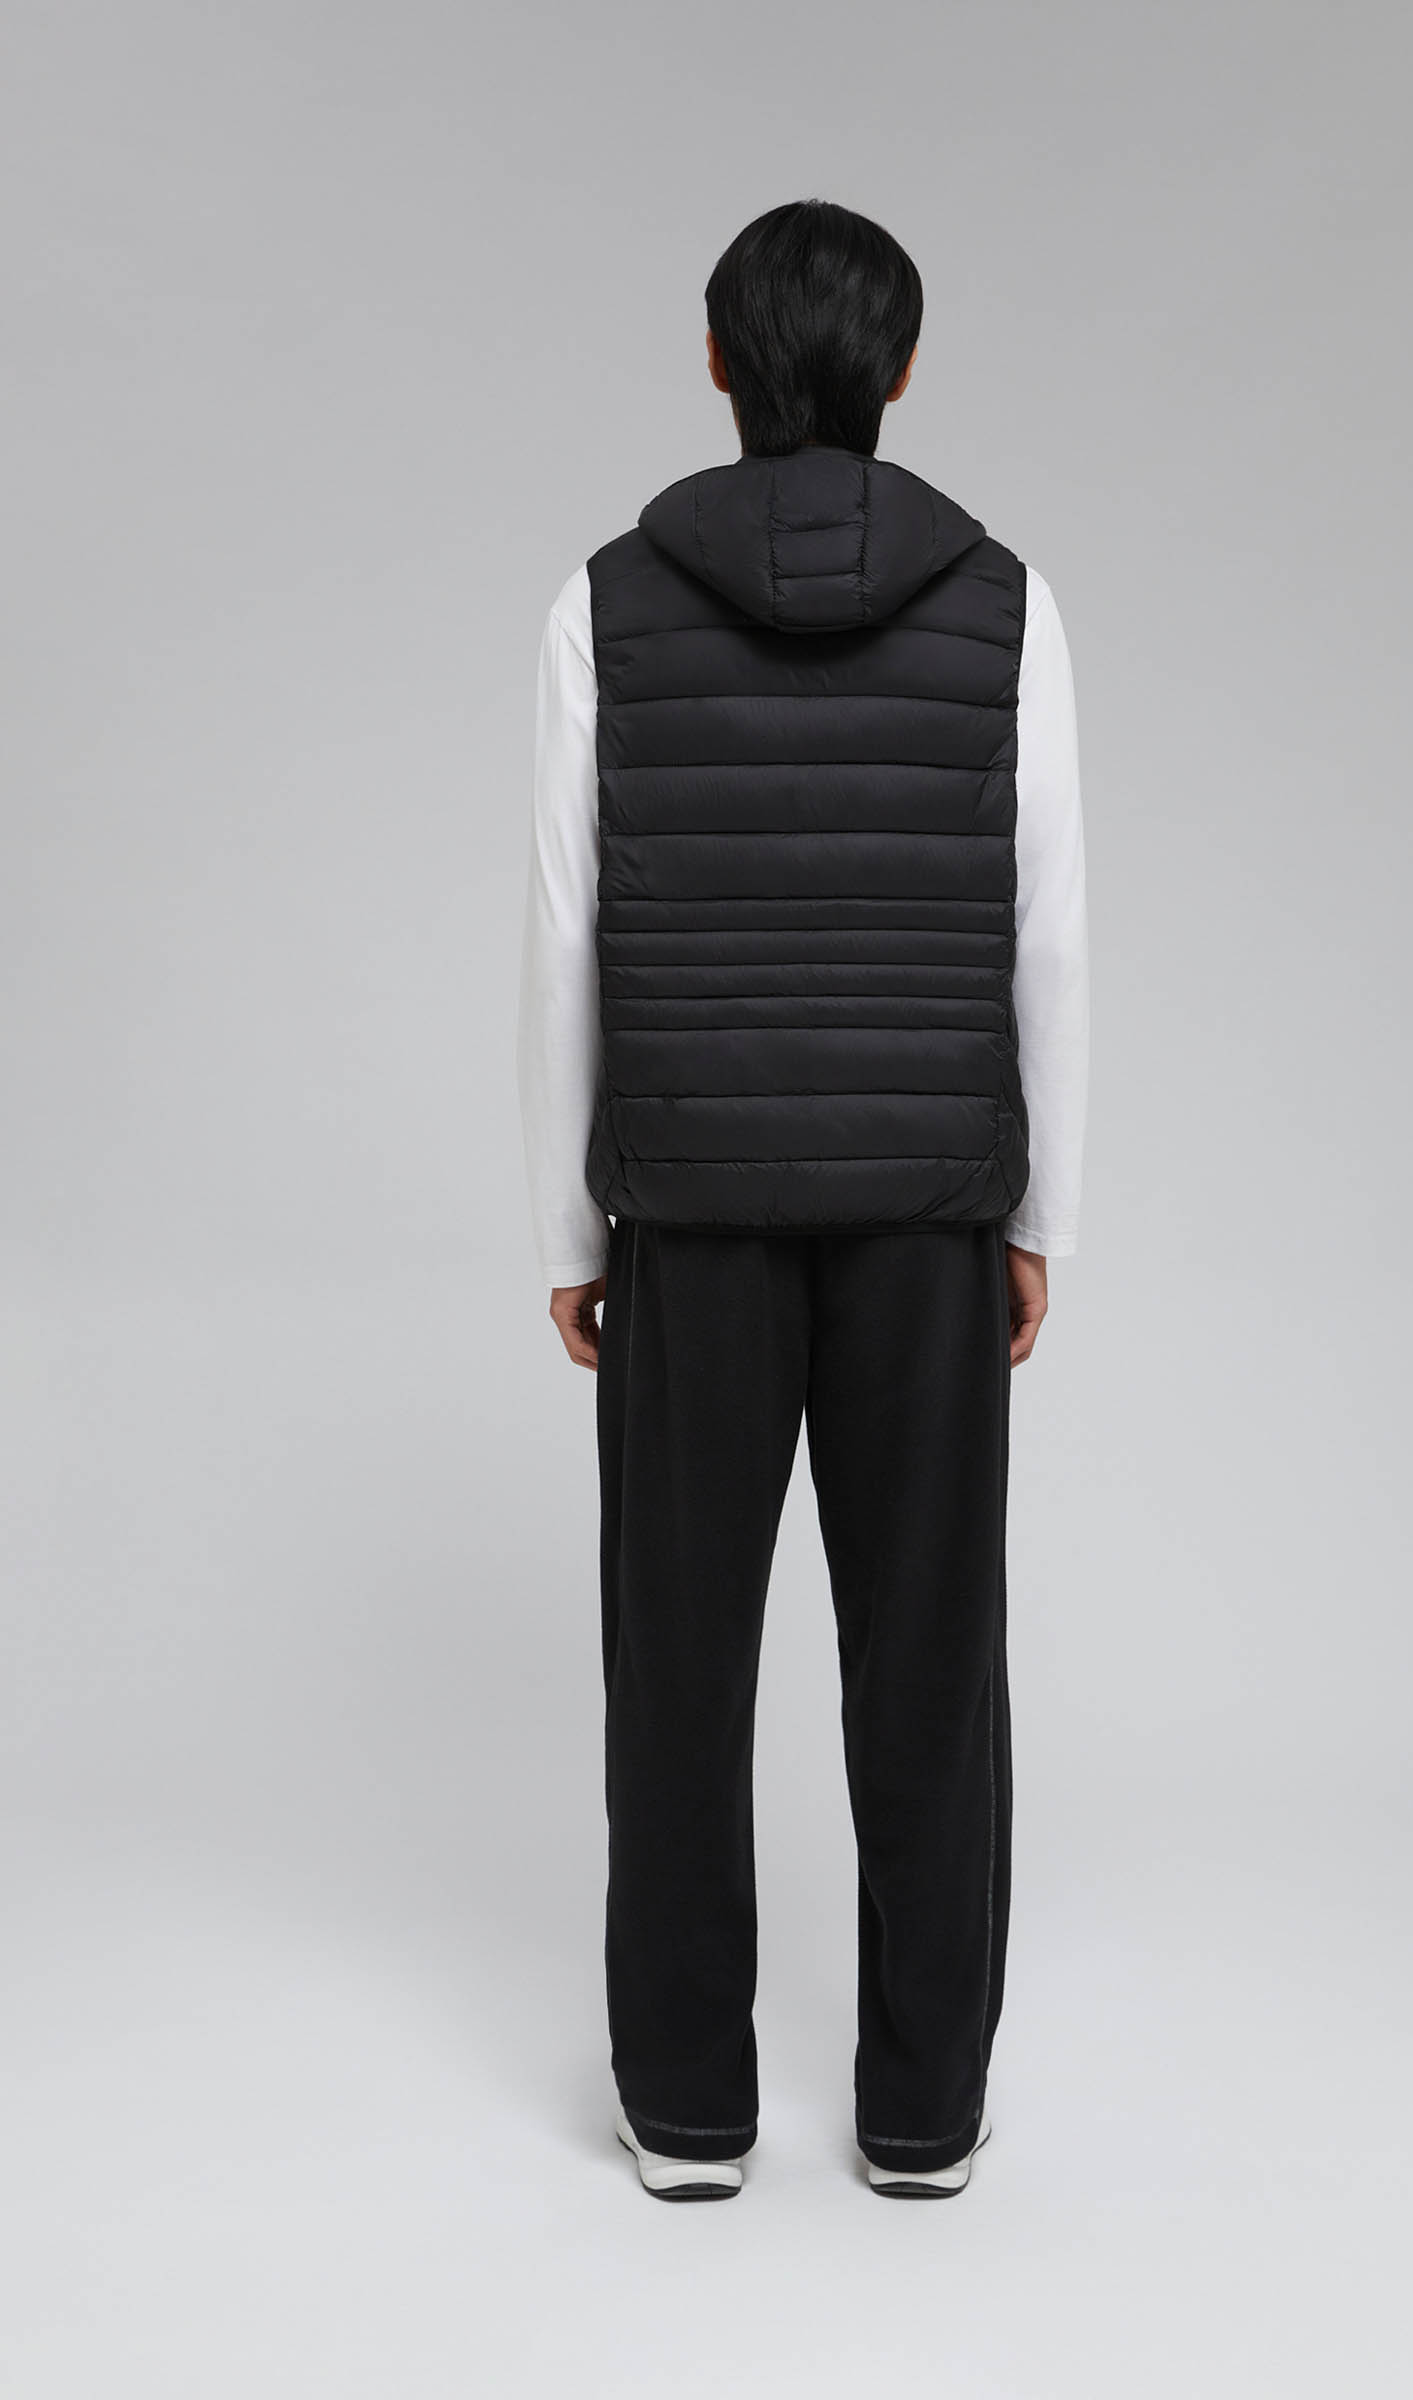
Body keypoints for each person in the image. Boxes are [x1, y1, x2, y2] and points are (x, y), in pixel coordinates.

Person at [518, 199, 1089, 2202]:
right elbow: (1047, 933)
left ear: (716, 365)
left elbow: (563, 940)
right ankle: (922, 2114)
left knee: (676, 1666)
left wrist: (569, 1232)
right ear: (901, 371)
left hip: (688, 1210)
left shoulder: (603, 604)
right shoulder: (1007, 605)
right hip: (931, 1211)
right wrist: (1040, 1218)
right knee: (930, 1659)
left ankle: (687, 2111)